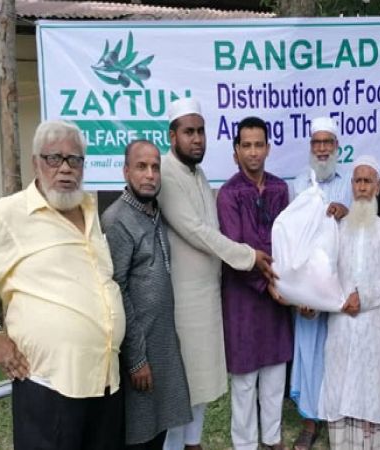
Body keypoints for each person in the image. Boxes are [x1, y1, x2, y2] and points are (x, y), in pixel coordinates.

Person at [0, 120, 125, 449]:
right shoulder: (8, 215)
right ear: (36, 163)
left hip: (105, 383)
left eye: (74, 159)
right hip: (49, 387)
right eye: (54, 158)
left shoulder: (89, 210)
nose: (65, 168)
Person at [157, 98, 275, 450]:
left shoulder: (197, 173)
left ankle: (193, 443)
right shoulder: (166, 173)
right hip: (183, 299)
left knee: (201, 382)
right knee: (182, 386)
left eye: (201, 131)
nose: (197, 139)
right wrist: (248, 256)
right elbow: (197, 232)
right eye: (189, 132)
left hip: (208, 295)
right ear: (173, 136)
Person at [102, 140, 193, 450]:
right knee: (138, 434)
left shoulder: (154, 212)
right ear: (126, 171)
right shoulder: (117, 219)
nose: (150, 174)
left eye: (156, 167)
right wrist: (136, 359)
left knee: (158, 429)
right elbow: (117, 290)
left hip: (162, 344)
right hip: (138, 352)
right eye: (141, 166)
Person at [319, 155, 380, 449]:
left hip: (373, 333)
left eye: (367, 181)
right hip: (341, 332)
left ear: (378, 187)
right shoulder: (336, 229)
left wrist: (365, 296)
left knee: (372, 396)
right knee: (341, 394)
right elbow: (324, 273)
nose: (362, 187)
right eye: (357, 181)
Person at [218, 117, 293, 450]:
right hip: (243, 299)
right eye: (246, 145)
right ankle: (246, 444)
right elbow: (235, 250)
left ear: (268, 148)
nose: (253, 152)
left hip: (277, 295)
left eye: (258, 145)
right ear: (236, 151)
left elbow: (288, 242)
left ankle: (273, 438)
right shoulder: (228, 194)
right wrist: (269, 285)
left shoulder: (279, 189)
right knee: (246, 380)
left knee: (275, 373)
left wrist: (287, 285)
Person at [288, 116, 352, 449]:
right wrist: (301, 292)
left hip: (341, 284)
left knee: (340, 350)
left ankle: (339, 418)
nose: (322, 149)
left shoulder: (351, 182)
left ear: (337, 146)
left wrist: (348, 213)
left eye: (328, 142)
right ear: (311, 147)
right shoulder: (298, 183)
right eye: (317, 142)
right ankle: (311, 422)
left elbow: (364, 228)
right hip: (309, 285)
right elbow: (292, 238)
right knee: (310, 351)